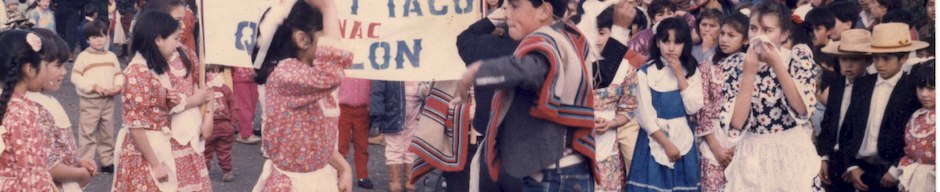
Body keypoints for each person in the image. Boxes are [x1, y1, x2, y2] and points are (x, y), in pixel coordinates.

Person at [450, 0, 598, 190]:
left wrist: (478, 72)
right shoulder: (570, 37)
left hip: (553, 176)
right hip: (566, 170)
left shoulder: (547, 43)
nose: (506, 12)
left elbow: (530, 69)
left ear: (544, 11)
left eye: (514, 5)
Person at [250, 0, 353, 191]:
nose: (334, 42)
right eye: (327, 36)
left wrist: (343, 167)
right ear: (302, 39)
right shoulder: (286, 75)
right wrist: (328, 8)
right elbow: (332, 73)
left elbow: (315, 139)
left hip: (317, 179)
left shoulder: (309, 78)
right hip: (296, 184)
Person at [721, 2, 822, 191]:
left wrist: (777, 65)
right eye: (753, 28)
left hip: (790, 150)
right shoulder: (735, 65)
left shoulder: (797, 58)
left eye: (767, 30)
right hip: (752, 154)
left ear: (784, 34)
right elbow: (736, 124)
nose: (759, 36)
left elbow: (802, 111)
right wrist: (749, 74)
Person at [111, 11, 207, 191]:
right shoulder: (137, 72)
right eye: (174, 38)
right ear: (158, 40)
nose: (177, 44)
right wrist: (155, 164)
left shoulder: (151, 67)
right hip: (145, 152)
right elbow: (136, 125)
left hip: (157, 145)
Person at [838, 22, 926, 192]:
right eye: (876, 57)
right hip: (861, 166)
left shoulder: (910, 89)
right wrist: (851, 166)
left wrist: (896, 169)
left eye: (886, 58)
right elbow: (848, 128)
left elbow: (913, 137)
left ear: (904, 58)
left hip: (891, 170)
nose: (879, 64)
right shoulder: (863, 84)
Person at [626, 17, 703, 192]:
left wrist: (678, 73)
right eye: (666, 41)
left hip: (684, 139)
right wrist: (667, 144)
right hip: (654, 140)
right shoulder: (645, 73)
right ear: (658, 42)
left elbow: (693, 107)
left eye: (677, 42)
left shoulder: (691, 70)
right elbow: (644, 116)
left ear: (685, 44)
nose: (670, 48)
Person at [29, 28, 99, 192]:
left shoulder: (43, 100)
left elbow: (56, 149)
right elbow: (48, 164)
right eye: (58, 65)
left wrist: (76, 160)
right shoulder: (33, 108)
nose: (64, 71)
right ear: (30, 67)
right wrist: (80, 174)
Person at [816, 29, 875, 192]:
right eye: (844, 59)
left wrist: (851, 163)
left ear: (868, 60)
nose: (848, 65)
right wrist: (825, 156)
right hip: (834, 157)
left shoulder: (872, 87)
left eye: (854, 60)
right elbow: (828, 122)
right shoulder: (837, 84)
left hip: (858, 161)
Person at [696, 12, 747, 192]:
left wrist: (737, 146)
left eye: (731, 35)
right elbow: (702, 107)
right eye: (723, 34)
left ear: (746, 40)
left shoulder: (753, 68)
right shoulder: (708, 65)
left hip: (744, 140)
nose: (724, 39)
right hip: (713, 138)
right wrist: (716, 147)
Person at [0, 30, 55, 190]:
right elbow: (32, 174)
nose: (47, 71)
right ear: (29, 69)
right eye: (45, 65)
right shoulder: (23, 112)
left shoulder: (8, 105)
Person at [592, 7, 639, 192]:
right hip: (577, 144)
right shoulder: (577, 63)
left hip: (608, 145)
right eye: (592, 32)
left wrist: (611, 123)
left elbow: (628, 109)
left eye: (602, 33)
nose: (596, 39)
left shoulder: (626, 69)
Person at [70, 19, 121, 174]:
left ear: (106, 37)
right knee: (88, 132)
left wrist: (118, 86)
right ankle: (87, 161)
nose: (98, 40)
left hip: (108, 100)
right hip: (90, 101)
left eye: (101, 36)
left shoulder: (111, 56)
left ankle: (107, 161)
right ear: (87, 40)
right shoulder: (83, 57)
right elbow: (76, 78)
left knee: (107, 132)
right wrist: (93, 87)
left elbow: (118, 74)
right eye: (94, 37)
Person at [897, 60, 935, 192]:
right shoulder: (916, 116)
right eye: (920, 88)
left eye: (931, 89)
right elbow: (909, 150)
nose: (924, 94)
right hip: (916, 178)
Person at [337, 77, 374, 189]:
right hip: (343, 109)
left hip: (362, 110)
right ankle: (339, 175)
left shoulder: (367, 69)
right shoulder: (343, 67)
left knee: (362, 145)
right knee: (341, 145)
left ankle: (362, 176)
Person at [203, 66, 237, 182]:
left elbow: (233, 106)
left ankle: (227, 170)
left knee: (224, 150)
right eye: (209, 71)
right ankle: (204, 170)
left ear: (221, 73)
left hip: (224, 126)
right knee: (205, 150)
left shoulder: (225, 88)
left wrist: (232, 124)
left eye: (216, 71)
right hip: (209, 126)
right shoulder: (203, 88)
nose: (212, 74)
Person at [232, 66, 261, 144]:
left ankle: (243, 130)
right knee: (245, 107)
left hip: (253, 78)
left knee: (251, 106)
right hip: (241, 78)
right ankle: (245, 134)